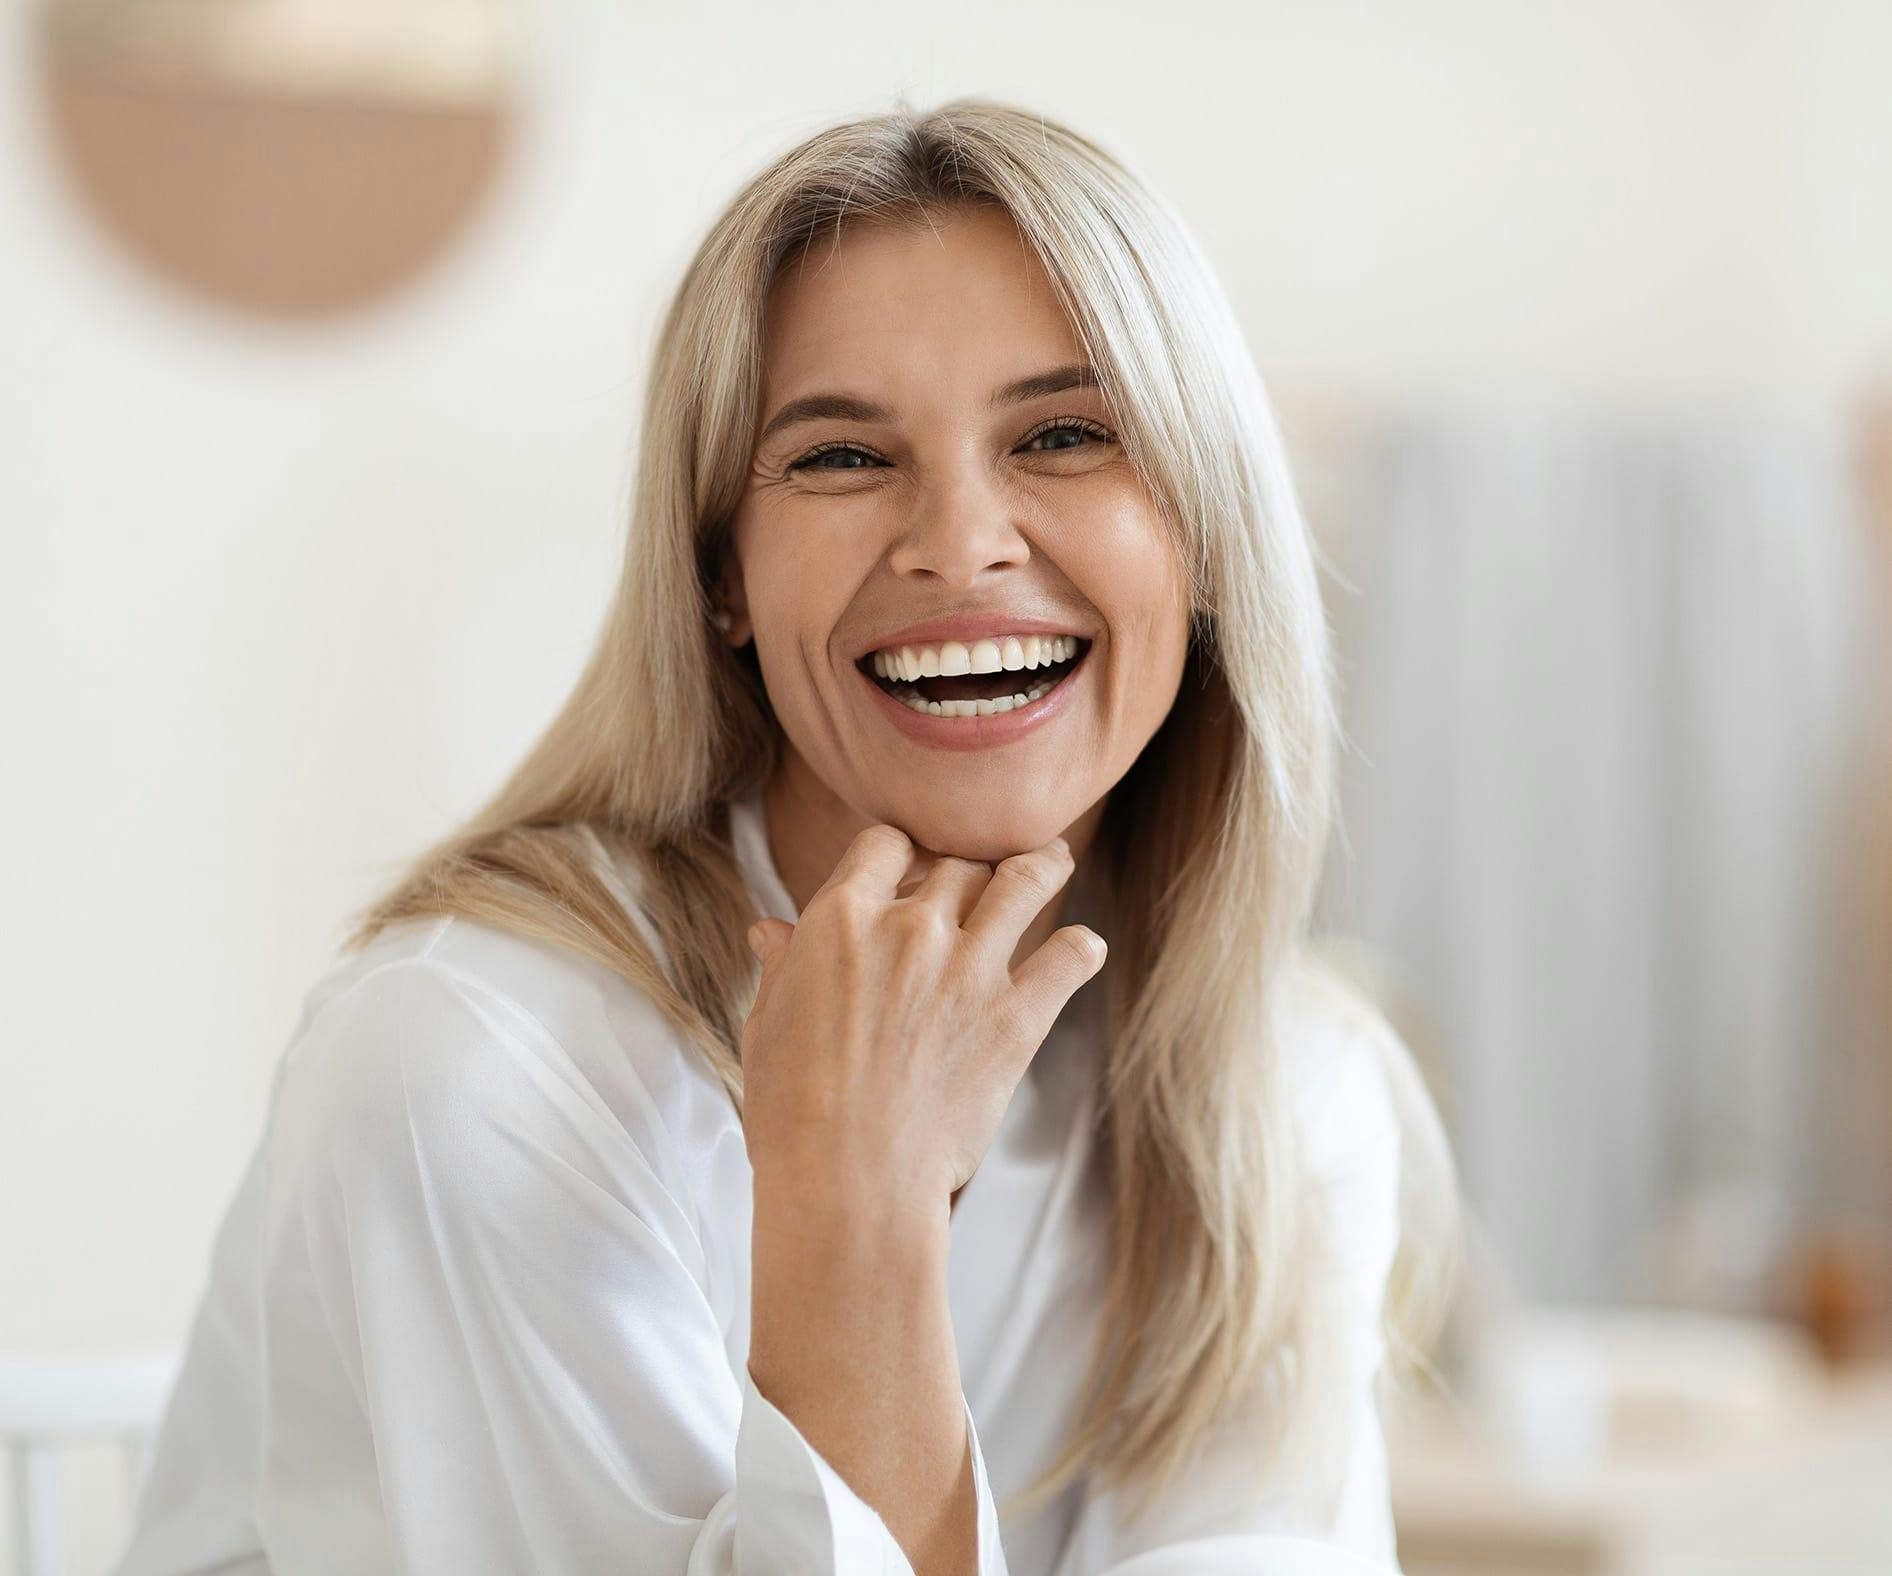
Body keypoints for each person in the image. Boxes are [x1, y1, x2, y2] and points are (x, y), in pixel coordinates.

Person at [117, 98, 1459, 1576]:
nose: (959, 541)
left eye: (1067, 434)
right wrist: (852, 1223)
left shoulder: (1281, 1094)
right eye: (839, 458)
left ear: (1204, 540)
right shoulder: (477, 1069)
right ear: (722, 581)